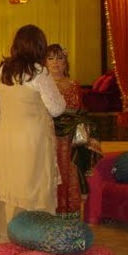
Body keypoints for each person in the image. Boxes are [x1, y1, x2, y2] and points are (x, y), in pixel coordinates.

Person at [0, 25, 66, 245]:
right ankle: (37, 237)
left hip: (6, 136)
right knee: (36, 188)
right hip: (33, 139)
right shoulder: (39, 72)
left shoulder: (0, 70)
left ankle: (10, 234)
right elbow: (57, 108)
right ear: (40, 46)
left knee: (10, 185)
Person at [46, 44, 84, 217]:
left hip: (68, 139)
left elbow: (79, 110)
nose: (55, 63)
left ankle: (69, 211)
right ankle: (49, 212)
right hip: (47, 137)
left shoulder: (74, 84)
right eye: (50, 58)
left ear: (65, 62)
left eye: (59, 58)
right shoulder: (43, 85)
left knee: (68, 171)